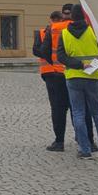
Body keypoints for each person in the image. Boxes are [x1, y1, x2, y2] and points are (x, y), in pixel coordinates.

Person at [55, 4, 98, 159]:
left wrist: (78, 65)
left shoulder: (65, 33)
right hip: (93, 76)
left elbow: (61, 56)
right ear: (85, 16)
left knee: (78, 114)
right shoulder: (94, 31)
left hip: (74, 77)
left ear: (72, 16)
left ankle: (85, 150)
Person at [36, 10, 69, 151]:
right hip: (70, 72)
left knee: (57, 108)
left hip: (52, 73)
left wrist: (52, 61)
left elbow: (38, 50)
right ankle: (85, 140)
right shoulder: (69, 29)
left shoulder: (45, 31)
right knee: (77, 109)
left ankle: (59, 141)